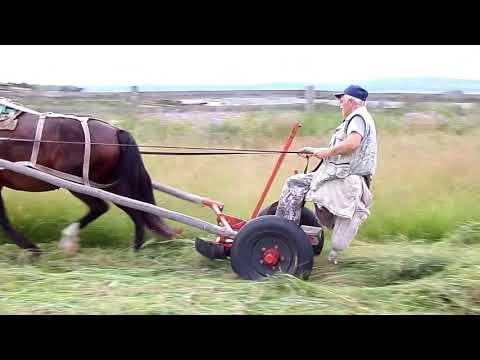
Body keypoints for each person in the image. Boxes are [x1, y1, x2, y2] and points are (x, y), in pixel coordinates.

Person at [275, 85, 377, 264]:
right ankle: (288, 230)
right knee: (296, 183)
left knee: (294, 183)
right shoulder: (357, 118)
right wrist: (315, 151)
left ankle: (284, 234)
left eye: (342, 101)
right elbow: (341, 150)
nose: (340, 105)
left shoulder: (358, 117)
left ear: (352, 102)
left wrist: (325, 152)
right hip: (340, 175)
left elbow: (352, 144)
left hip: (344, 179)